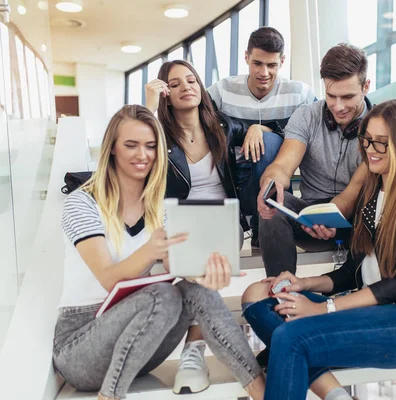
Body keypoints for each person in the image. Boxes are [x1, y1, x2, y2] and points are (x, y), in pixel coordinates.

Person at [242, 99, 396, 400]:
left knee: (291, 337)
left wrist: (321, 308)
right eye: (367, 140)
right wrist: (304, 284)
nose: (371, 150)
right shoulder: (374, 190)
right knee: (256, 294)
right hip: (370, 307)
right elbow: (351, 273)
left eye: (382, 143)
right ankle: (337, 395)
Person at [52, 105, 265, 400]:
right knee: (163, 295)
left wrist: (207, 276)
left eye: (151, 146)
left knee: (195, 289)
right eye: (131, 145)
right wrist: (151, 249)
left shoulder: (162, 209)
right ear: (112, 148)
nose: (143, 155)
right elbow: (108, 278)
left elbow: (178, 266)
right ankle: (109, 397)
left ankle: (262, 391)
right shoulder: (82, 203)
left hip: (141, 346)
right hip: (81, 347)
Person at [145, 59, 256, 393]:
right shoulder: (158, 134)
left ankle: (193, 352)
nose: (186, 87)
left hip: (222, 220)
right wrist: (149, 109)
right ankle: (196, 348)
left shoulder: (221, 126)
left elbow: (270, 129)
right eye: (174, 84)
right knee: (194, 266)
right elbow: (132, 144)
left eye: (191, 80)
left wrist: (256, 129)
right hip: (176, 220)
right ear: (165, 93)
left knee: (205, 260)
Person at [256, 43, 371, 277]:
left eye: (347, 97)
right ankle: (282, 291)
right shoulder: (306, 115)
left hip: (358, 221)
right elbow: (282, 166)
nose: (338, 107)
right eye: (331, 96)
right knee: (276, 203)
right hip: (309, 219)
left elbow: (352, 194)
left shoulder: (379, 124)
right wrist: (270, 185)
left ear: (366, 87)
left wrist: (328, 216)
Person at [207, 26, 316, 246]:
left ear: (282, 62)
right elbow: (198, 124)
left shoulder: (299, 94)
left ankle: (261, 222)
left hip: (274, 173)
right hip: (233, 176)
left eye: (271, 65)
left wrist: (263, 129)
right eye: (257, 63)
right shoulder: (223, 91)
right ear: (246, 57)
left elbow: (317, 133)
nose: (264, 72)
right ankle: (251, 220)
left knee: (268, 141)